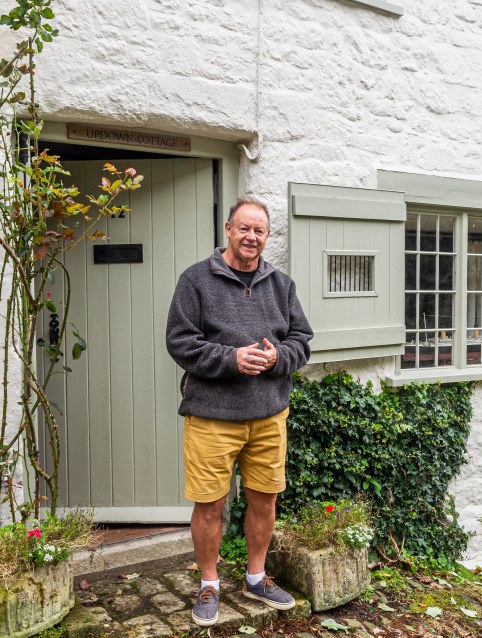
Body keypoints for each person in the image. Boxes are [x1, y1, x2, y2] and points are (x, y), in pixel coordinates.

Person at [166, 195, 314, 627]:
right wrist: (233, 359)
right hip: (211, 415)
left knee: (264, 500)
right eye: (244, 228)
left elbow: (301, 339)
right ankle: (209, 584)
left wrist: (276, 359)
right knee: (210, 505)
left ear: (267, 237)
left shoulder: (280, 285)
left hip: (269, 414)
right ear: (228, 229)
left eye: (260, 231)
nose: (251, 237)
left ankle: (255, 576)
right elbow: (180, 342)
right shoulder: (195, 280)